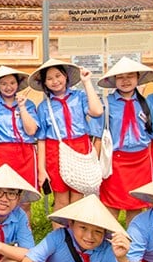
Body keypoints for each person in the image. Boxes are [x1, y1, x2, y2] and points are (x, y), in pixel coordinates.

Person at [32, 59, 104, 211]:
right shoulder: (44, 107)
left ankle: (75, 233)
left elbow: (97, 111)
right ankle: (60, 233)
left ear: (66, 76)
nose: (55, 81)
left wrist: (87, 82)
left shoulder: (79, 96)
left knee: (78, 197)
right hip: (55, 151)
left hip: (80, 147)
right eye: (49, 78)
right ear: (44, 83)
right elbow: (41, 139)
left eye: (58, 76)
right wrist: (41, 169)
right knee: (61, 199)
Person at [95, 57, 153, 221]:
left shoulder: (146, 103)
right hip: (116, 161)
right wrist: (94, 163)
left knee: (136, 206)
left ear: (138, 78)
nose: (125, 81)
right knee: (110, 207)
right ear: (114, 80)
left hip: (140, 160)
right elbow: (99, 136)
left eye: (130, 76)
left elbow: (151, 132)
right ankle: (109, 242)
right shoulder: (106, 104)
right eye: (120, 77)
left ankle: (132, 243)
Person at [0, 66, 39, 191]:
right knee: (3, 194)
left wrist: (22, 107)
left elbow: (31, 131)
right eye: (4, 83)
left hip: (26, 153)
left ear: (18, 84)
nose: (8, 87)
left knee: (25, 198)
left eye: (12, 83)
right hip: (2, 153)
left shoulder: (28, 104)